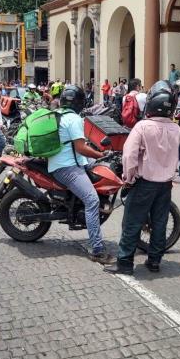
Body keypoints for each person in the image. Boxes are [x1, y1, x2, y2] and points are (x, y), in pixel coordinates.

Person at [105, 81, 180, 275]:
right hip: (165, 185)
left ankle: (124, 264)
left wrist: (128, 179)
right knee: (160, 222)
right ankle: (154, 261)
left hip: (143, 183)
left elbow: (129, 156)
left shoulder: (142, 126)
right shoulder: (176, 129)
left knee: (132, 222)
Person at [49, 84, 113, 264]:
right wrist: (100, 154)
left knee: (100, 167)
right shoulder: (75, 119)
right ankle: (97, 250)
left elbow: (75, 145)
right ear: (79, 102)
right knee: (92, 200)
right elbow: (80, 147)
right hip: (67, 167)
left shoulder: (58, 115)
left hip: (65, 161)